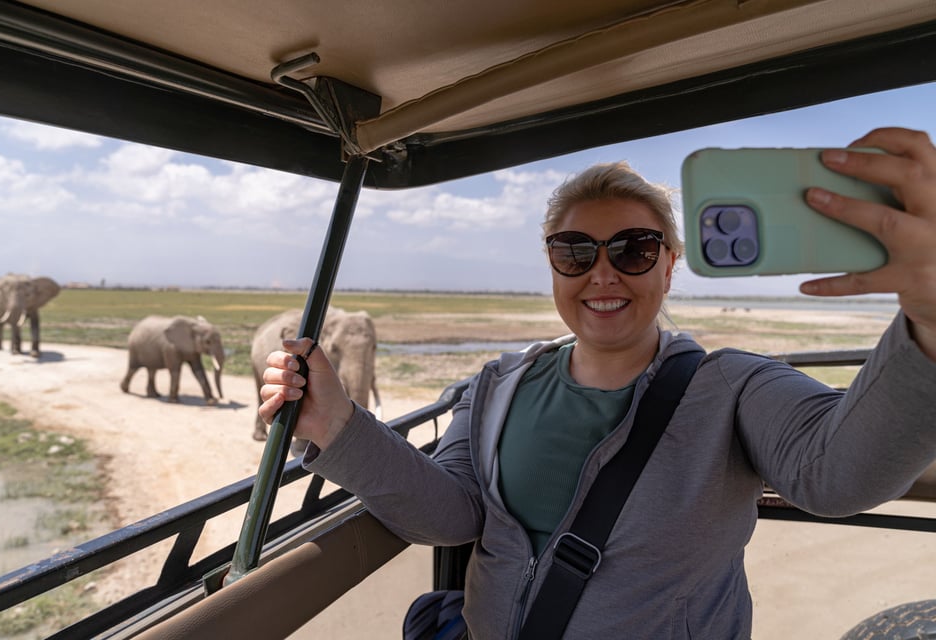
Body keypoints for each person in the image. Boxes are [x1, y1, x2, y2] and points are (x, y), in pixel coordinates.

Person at [258, 126, 936, 638]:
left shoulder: (733, 387)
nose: (602, 274)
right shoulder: (499, 386)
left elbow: (836, 476)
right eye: (575, 252)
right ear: (553, 265)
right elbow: (451, 515)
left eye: (634, 250)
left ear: (669, 265)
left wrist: (927, 320)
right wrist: (336, 427)